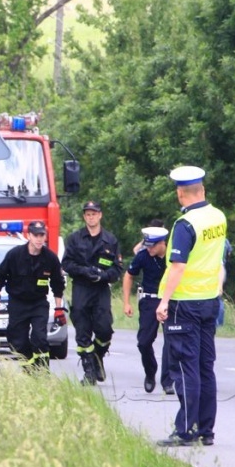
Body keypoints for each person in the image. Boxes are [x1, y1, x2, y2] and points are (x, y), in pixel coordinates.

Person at [156, 166, 226, 447]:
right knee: (205, 366)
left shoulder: (185, 225)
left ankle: (185, 430)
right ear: (203, 190)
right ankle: (206, 430)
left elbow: (178, 265)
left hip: (184, 304)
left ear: (180, 193)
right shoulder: (218, 217)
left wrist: (163, 301)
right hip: (210, 300)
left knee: (186, 367)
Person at [61, 200, 124, 385]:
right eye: (88, 214)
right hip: (81, 287)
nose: (91, 217)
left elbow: (117, 269)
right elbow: (66, 264)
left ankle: (98, 357)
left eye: (94, 214)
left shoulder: (110, 240)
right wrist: (84, 271)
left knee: (105, 330)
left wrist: (103, 275)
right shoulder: (75, 238)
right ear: (84, 217)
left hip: (101, 289)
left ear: (100, 215)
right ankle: (89, 371)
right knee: (82, 330)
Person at [0, 220, 65, 370]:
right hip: (18, 304)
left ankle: (42, 371)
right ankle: (29, 367)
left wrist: (59, 309)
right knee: (17, 341)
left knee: (40, 338)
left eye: (42, 235)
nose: (39, 239)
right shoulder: (15, 255)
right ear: (28, 235)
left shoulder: (50, 258)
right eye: (35, 235)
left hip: (38, 304)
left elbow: (58, 284)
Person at [122, 226, 173, 394]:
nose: (149, 249)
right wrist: (126, 302)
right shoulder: (143, 256)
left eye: (152, 246)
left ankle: (168, 381)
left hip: (170, 300)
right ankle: (150, 372)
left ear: (162, 243)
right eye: (147, 245)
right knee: (144, 342)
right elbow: (129, 275)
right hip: (149, 300)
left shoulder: (173, 256)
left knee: (171, 341)